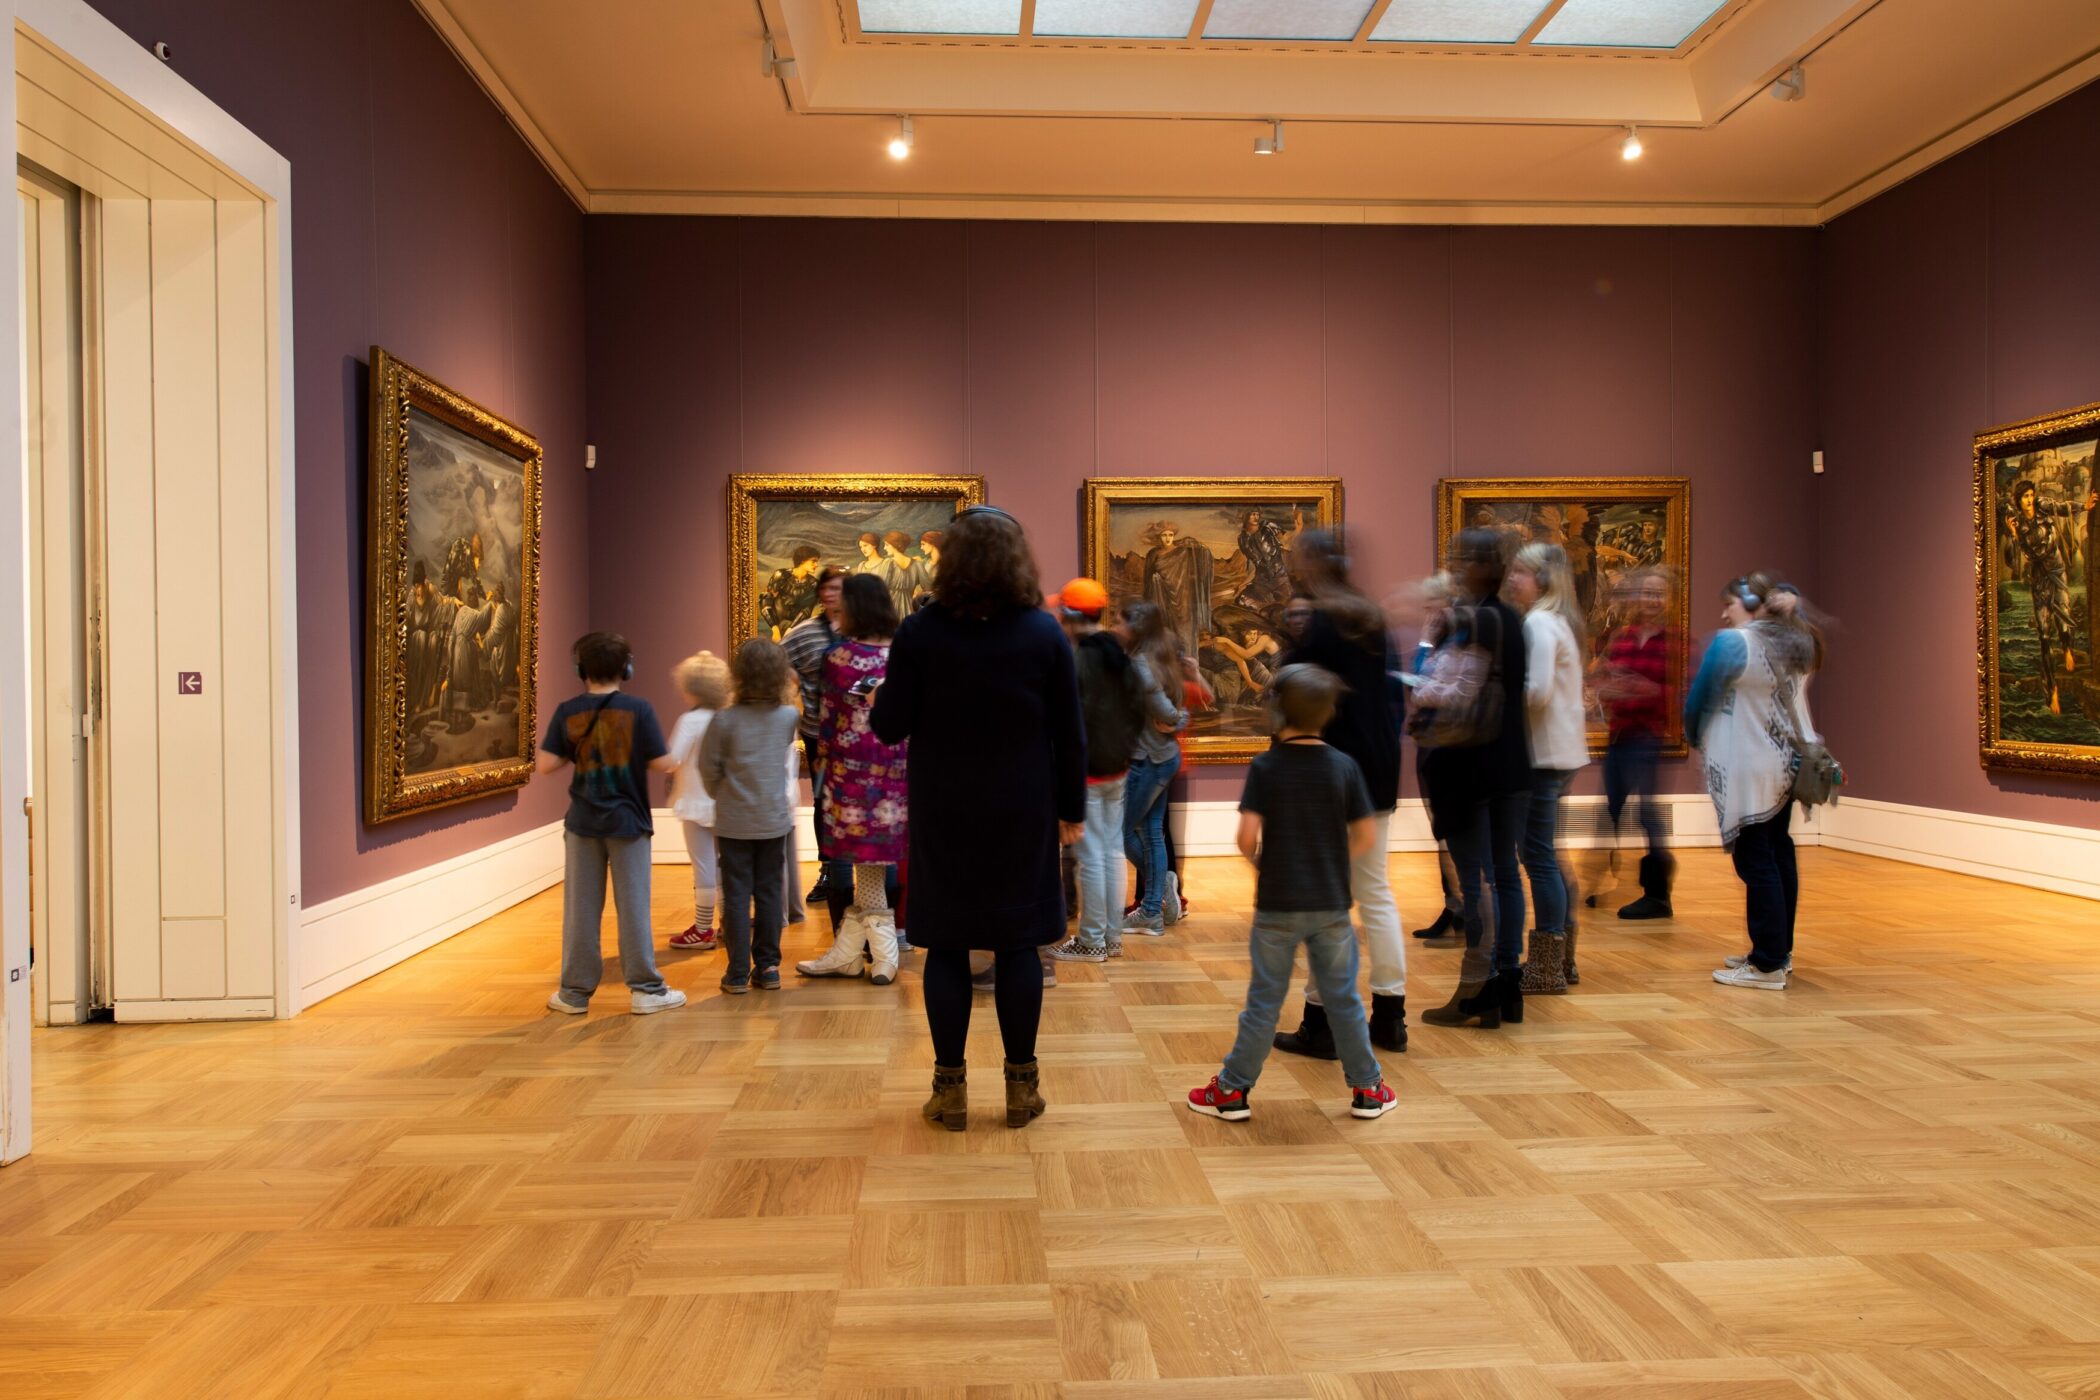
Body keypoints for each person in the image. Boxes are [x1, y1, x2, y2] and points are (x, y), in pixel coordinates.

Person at [871, 505, 1084, 1131]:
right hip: (1023, 807)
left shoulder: (921, 632)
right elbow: (1070, 733)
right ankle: (1022, 1090)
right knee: (1019, 944)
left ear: (952, 560)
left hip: (945, 807)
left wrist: (883, 694)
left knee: (947, 944)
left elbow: (890, 725)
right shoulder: (1043, 633)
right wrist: (1071, 810)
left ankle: (950, 1092)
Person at [1187, 665, 1397, 1123]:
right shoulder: (1344, 766)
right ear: (1328, 715)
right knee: (1343, 1000)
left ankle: (1232, 1091)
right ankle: (1368, 1089)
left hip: (1277, 907)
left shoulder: (1266, 766)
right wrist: (1334, 864)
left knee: (1264, 1002)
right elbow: (1365, 835)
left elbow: (1246, 838)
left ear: (1277, 712)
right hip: (1331, 907)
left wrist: (1264, 865)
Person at [1271, 528, 1409, 1057]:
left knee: (1327, 901)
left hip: (1330, 772)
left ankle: (1321, 1021)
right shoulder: (1370, 616)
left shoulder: (1324, 623)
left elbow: (1298, 702)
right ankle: (1390, 1017)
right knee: (1375, 893)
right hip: (1378, 766)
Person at [1417, 527, 1530, 1031]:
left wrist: (1420, 684)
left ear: (1487, 566)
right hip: (1511, 762)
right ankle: (1507, 985)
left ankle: (1475, 990)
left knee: (1475, 879)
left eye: (1466, 559)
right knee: (1504, 875)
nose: (1459, 567)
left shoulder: (1477, 619)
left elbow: (1450, 691)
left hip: (1470, 766)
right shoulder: (1511, 618)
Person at [538, 631, 686, 1016]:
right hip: (628, 821)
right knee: (633, 908)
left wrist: (579, 749)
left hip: (582, 822)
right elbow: (662, 762)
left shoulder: (568, 711)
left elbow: (546, 764)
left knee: (581, 911)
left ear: (581, 670)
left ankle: (574, 994)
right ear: (627, 668)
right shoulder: (639, 710)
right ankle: (646, 990)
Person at [1688, 574, 1825, 990]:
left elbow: (1699, 701)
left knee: (1756, 860)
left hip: (1748, 764)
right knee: (1778, 852)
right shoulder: (1799, 642)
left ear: (1752, 603)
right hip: (1786, 762)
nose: (1724, 613)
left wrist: (1693, 735)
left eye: (1730, 603)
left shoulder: (1735, 643)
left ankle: (1766, 965)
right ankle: (1777, 951)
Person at [797, 574, 909, 984]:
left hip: (850, 773)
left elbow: (827, 721)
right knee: (875, 863)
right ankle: (850, 955)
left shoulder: (839, 657)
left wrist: (821, 765)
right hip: (897, 770)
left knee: (863, 864)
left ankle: (883, 956)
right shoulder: (905, 653)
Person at [1050, 580, 1165, 964]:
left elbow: (1069, 724)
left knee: (1091, 857)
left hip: (1089, 771)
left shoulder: (1078, 660)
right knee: (1111, 851)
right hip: (1118, 767)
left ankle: (1091, 941)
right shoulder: (1120, 654)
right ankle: (1111, 938)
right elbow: (1136, 712)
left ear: (1069, 616)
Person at [1507, 543, 1589, 996]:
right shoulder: (1560, 621)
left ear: (1542, 579)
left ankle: (1545, 968)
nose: (1512, 579)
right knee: (1548, 855)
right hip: (1560, 753)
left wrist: (1494, 692)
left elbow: (1535, 693)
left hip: (1542, 756)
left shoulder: (1538, 622)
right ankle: (1561, 960)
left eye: (1520, 572)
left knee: (1537, 858)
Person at [699, 638, 801, 994]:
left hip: (734, 821)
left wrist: (724, 796)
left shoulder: (723, 720)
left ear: (739, 674)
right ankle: (768, 968)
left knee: (737, 894)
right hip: (773, 818)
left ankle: (737, 972)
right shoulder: (788, 716)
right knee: (770, 892)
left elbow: (708, 769)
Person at [1592, 568, 1678, 920]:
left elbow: (1676, 690)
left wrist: (1641, 689)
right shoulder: (1622, 638)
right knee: (1610, 809)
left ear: (1668, 599)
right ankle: (1600, 878)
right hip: (1619, 736)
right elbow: (1603, 680)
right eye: (1647, 592)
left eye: (1659, 593)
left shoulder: (1674, 641)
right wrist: (1610, 688)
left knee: (1647, 814)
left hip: (1647, 737)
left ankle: (1658, 895)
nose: (1652, 599)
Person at [1403, 572, 1468, 950]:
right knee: (1440, 829)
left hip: (1451, 743)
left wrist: (1427, 641)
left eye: (1434, 606)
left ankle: (1464, 906)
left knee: (1453, 830)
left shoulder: (1463, 639)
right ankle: (1453, 904)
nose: (1428, 613)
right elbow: (1418, 679)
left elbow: (1428, 686)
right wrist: (1427, 638)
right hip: (1429, 739)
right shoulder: (1439, 640)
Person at [784, 569, 853, 921]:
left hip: (859, 734)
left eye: (836, 588)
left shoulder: (864, 629)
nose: (829, 594)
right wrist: (795, 693)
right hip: (818, 735)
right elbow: (777, 666)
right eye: (824, 588)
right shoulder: (803, 634)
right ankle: (828, 871)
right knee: (824, 802)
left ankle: (865, 872)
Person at [1118, 601, 1189, 937]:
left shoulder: (1139, 663)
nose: (1115, 628)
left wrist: (1177, 719)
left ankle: (1157, 895)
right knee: (1150, 832)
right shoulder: (1160, 657)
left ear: (1136, 627)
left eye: (1120, 622)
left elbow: (1168, 711)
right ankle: (1152, 909)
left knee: (1121, 832)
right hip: (1162, 757)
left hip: (1148, 760)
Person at [2003, 478, 2098, 714]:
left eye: (2031, 495)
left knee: (2063, 616)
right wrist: (2013, 534)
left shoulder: (2043, 506)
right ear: (2019, 501)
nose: (2030, 500)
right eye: (2025, 497)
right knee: (2044, 636)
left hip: (2056, 570)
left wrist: (2085, 506)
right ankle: (2052, 691)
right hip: (2039, 579)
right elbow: (2012, 560)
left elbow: (2062, 507)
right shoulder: (2018, 525)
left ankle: (2067, 649)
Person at [666, 652, 731, 952]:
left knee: (703, 866)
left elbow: (672, 759)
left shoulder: (689, 720)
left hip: (694, 802)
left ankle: (703, 929)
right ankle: (728, 922)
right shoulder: (728, 718)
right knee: (725, 864)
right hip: (725, 803)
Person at [1141, 522, 1216, 656]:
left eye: (1170, 535)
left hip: (1183, 599)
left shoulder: (1183, 551)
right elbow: (1147, 578)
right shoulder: (1153, 554)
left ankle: (1186, 662)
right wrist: (1154, 581)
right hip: (1161, 597)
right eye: (1164, 535)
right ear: (1159, 537)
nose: (1167, 538)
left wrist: (1196, 544)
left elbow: (1203, 555)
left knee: (1183, 632)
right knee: (1164, 630)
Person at [761, 546, 825, 639]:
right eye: (813, 561)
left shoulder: (814, 583)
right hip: (776, 625)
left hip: (798, 629)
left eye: (817, 562)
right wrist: (774, 628)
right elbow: (766, 600)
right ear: (802, 560)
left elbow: (806, 610)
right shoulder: (781, 575)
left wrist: (791, 629)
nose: (816, 565)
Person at [879, 530, 927, 622]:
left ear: (896, 545)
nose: (885, 548)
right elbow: (928, 589)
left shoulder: (888, 563)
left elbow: (881, 588)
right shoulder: (917, 564)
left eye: (887, 545)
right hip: (910, 609)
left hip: (890, 609)